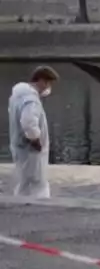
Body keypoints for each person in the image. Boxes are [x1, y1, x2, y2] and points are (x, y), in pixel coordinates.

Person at [8, 65, 58, 198]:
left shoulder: (17, 96)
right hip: (31, 150)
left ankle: (21, 206)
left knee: (24, 182)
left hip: (19, 147)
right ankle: (38, 210)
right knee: (37, 182)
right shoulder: (31, 100)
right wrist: (36, 141)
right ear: (42, 80)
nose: (48, 87)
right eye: (48, 83)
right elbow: (28, 122)